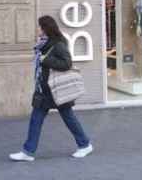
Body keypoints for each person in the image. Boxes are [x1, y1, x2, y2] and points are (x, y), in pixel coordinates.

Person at [10, 16, 93, 162]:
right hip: (44, 90)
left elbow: (67, 63)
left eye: (39, 26)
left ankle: (85, 144)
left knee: (69, 118)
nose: (37, 29)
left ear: (45, 28)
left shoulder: (58, 44)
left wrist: (46, 60)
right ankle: (28, 151)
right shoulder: (43, 43)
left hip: (56, 89)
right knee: (36, 120)